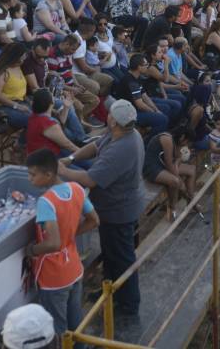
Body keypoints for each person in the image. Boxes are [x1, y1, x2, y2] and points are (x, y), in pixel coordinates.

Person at [58, 99, 144, 317]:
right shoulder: (119, 133)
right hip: (113, 208)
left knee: (122, 258)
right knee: (111, 254)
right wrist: (70, 158)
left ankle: (129, 305)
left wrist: (60, 170)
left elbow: (90, 179)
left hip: (119, 211)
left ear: (114, 121)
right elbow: (95, 145)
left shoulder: (123, 148)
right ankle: (111, 291)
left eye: (110, 114)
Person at [25, 148, 99, 339]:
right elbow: (94, 220)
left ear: (48, 174)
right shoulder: (76, 188)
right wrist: (72, 233)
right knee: (76, 322)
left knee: (56, 328)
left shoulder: (46, 202)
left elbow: (53, 243)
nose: (29, 179)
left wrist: (31, 250)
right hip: (74, 268)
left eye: (33, 175)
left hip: (54, 276)